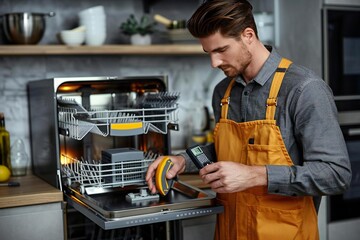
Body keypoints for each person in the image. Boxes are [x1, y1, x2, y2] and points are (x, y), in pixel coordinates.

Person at [146, 0, 352, 239]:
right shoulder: (222, 92)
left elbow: (335, 174)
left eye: (221, 50)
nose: (214, 63)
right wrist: (183, 160)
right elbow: (226, 150)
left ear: (248, 35)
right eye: (209, 53)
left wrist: (254, 175)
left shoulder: (303, 89)